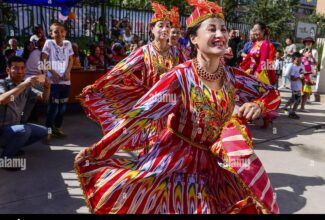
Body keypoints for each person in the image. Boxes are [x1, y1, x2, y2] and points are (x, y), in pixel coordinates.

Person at [75, 0, 280, 214]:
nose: (220, 34)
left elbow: (272, 93)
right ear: (194, 39)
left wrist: (258, 105)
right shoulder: (181, 75)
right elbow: (140, 116)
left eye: (223, 29)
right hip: (178, 158)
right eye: (212, 29)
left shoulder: (233, 76)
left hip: (215, 161)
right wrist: (99, 150)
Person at [78, 2, 186, 140]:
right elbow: (120, 71)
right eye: (161, 25)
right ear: (152, 29)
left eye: (168, 25)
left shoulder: (177, 52)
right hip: (150, 102)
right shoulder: (145, 52)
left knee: (168, 141)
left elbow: (188, 72)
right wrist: (97, 86)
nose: (165, 29)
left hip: (171, 103)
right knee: (151, 141)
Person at [0, 56, 50, 169]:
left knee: (44, 131)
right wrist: (24, 85)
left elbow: (43, 99)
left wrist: (47, 88)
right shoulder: (2, 83)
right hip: (2, 129)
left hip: (14, 128)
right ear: (8, 70)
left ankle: (11, 147)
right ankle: (5, 159)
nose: (20, 72)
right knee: (24, 130)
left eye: (22, 68)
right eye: (16, 68)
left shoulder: (26, 87)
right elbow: (2, 100)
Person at [239, 22, 277, 128]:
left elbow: (265, 61)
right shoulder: (255, 43)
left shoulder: (266, 44)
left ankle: (266, 120)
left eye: (257, 30)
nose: (255, 32)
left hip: (260, 74)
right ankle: (251, 117)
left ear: (263, 31)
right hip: (252, 72)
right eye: (253, 29)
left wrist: (258, 75)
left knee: (260, 98)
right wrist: (241, 68)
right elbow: (249, 58)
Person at [41, 22, 74, 143]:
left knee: (62, 106)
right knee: (53, 107)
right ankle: (47, 131)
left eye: (61, 31)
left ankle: (57, 128)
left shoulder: (68, 43)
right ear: (51, 33)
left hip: (65, 81)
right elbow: (43, 60)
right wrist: (53, 73)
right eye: (56, 31)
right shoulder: (48, 43)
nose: (59, 33)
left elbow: (71, 60)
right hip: (53, 82)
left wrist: (68, 72)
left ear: (65, 32)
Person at [281, 52, 304, 119]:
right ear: (293, 60)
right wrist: (299, 77)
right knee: (298, 100)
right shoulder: (293, 67)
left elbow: (302, 73)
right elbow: (292, 78)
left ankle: (285, 107)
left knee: (293, 99)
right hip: (294, 86)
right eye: (297, 61)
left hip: (299, 85)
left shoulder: (301, 65)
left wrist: (303, 81)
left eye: (300, 60)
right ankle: (292, 112)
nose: (299, 62)